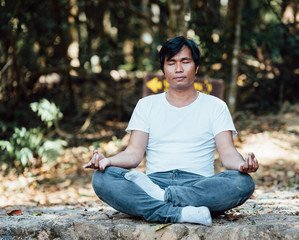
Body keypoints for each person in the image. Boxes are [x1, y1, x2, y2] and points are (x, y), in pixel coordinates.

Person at [83, 36, 259, 226]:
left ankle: (161, 198)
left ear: (196, 67)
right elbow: (133, 154)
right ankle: (181, 213)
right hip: (153, 181)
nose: (178, 69)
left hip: (198, 185)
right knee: (102, 178)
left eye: (185, 62)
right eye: (171, 63)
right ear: (163, 69)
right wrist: (107, 161)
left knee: (243, 183)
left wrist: (242, 165)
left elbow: (228, 154)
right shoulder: (146, 105)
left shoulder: (215, 106)